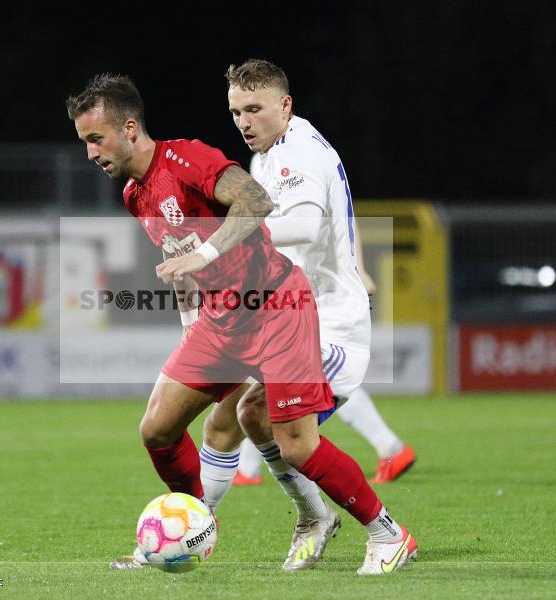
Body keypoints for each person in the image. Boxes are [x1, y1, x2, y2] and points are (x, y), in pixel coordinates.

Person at [67, 73, 415, 575]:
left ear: (129, 128)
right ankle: (192, 524)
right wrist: (192, 321)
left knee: (292, 441)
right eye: (84, 142)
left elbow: (256, 201)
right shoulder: (134, 196)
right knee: (158, 428)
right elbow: (180, 263)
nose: (90, 152)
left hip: (277, 308)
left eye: (95, 138)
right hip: (222, 320)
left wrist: (205, 250)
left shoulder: (187, 158)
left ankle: (389, 535)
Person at [196, 59, 417, 573]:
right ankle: (305, 519)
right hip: (295, 316)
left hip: (333, 325)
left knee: (278, 432)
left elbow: (301, 227)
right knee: (244, 414)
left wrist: (219, 245)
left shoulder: (298, 153)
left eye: (254, 109)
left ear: (285, 105)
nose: (243, 122)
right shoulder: (268, 157)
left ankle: (385, 535)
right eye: (235, 112)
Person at [233, 224, 417, 486]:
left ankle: (248, 469)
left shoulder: (285, 188)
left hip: (315, 292)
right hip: (313, 289)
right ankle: (390, 448)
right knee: (310, 376)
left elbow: (331, 218)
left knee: (281, 376)